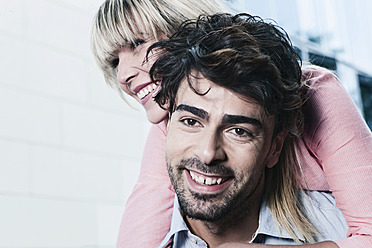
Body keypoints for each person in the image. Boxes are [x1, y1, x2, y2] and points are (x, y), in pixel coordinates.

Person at [90, 0, 372, 247]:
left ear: (184, 28)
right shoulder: (167, 123)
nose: (124, 74)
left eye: (137, 44)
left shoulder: (314, 93)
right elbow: (140, 235)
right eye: (115, 62)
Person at [150, 13, 348, 247]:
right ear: (169, 122)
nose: (208, 153)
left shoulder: (340, 229)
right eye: (191, 122)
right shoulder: (144, 234)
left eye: (238, 131)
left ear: (274, 148)